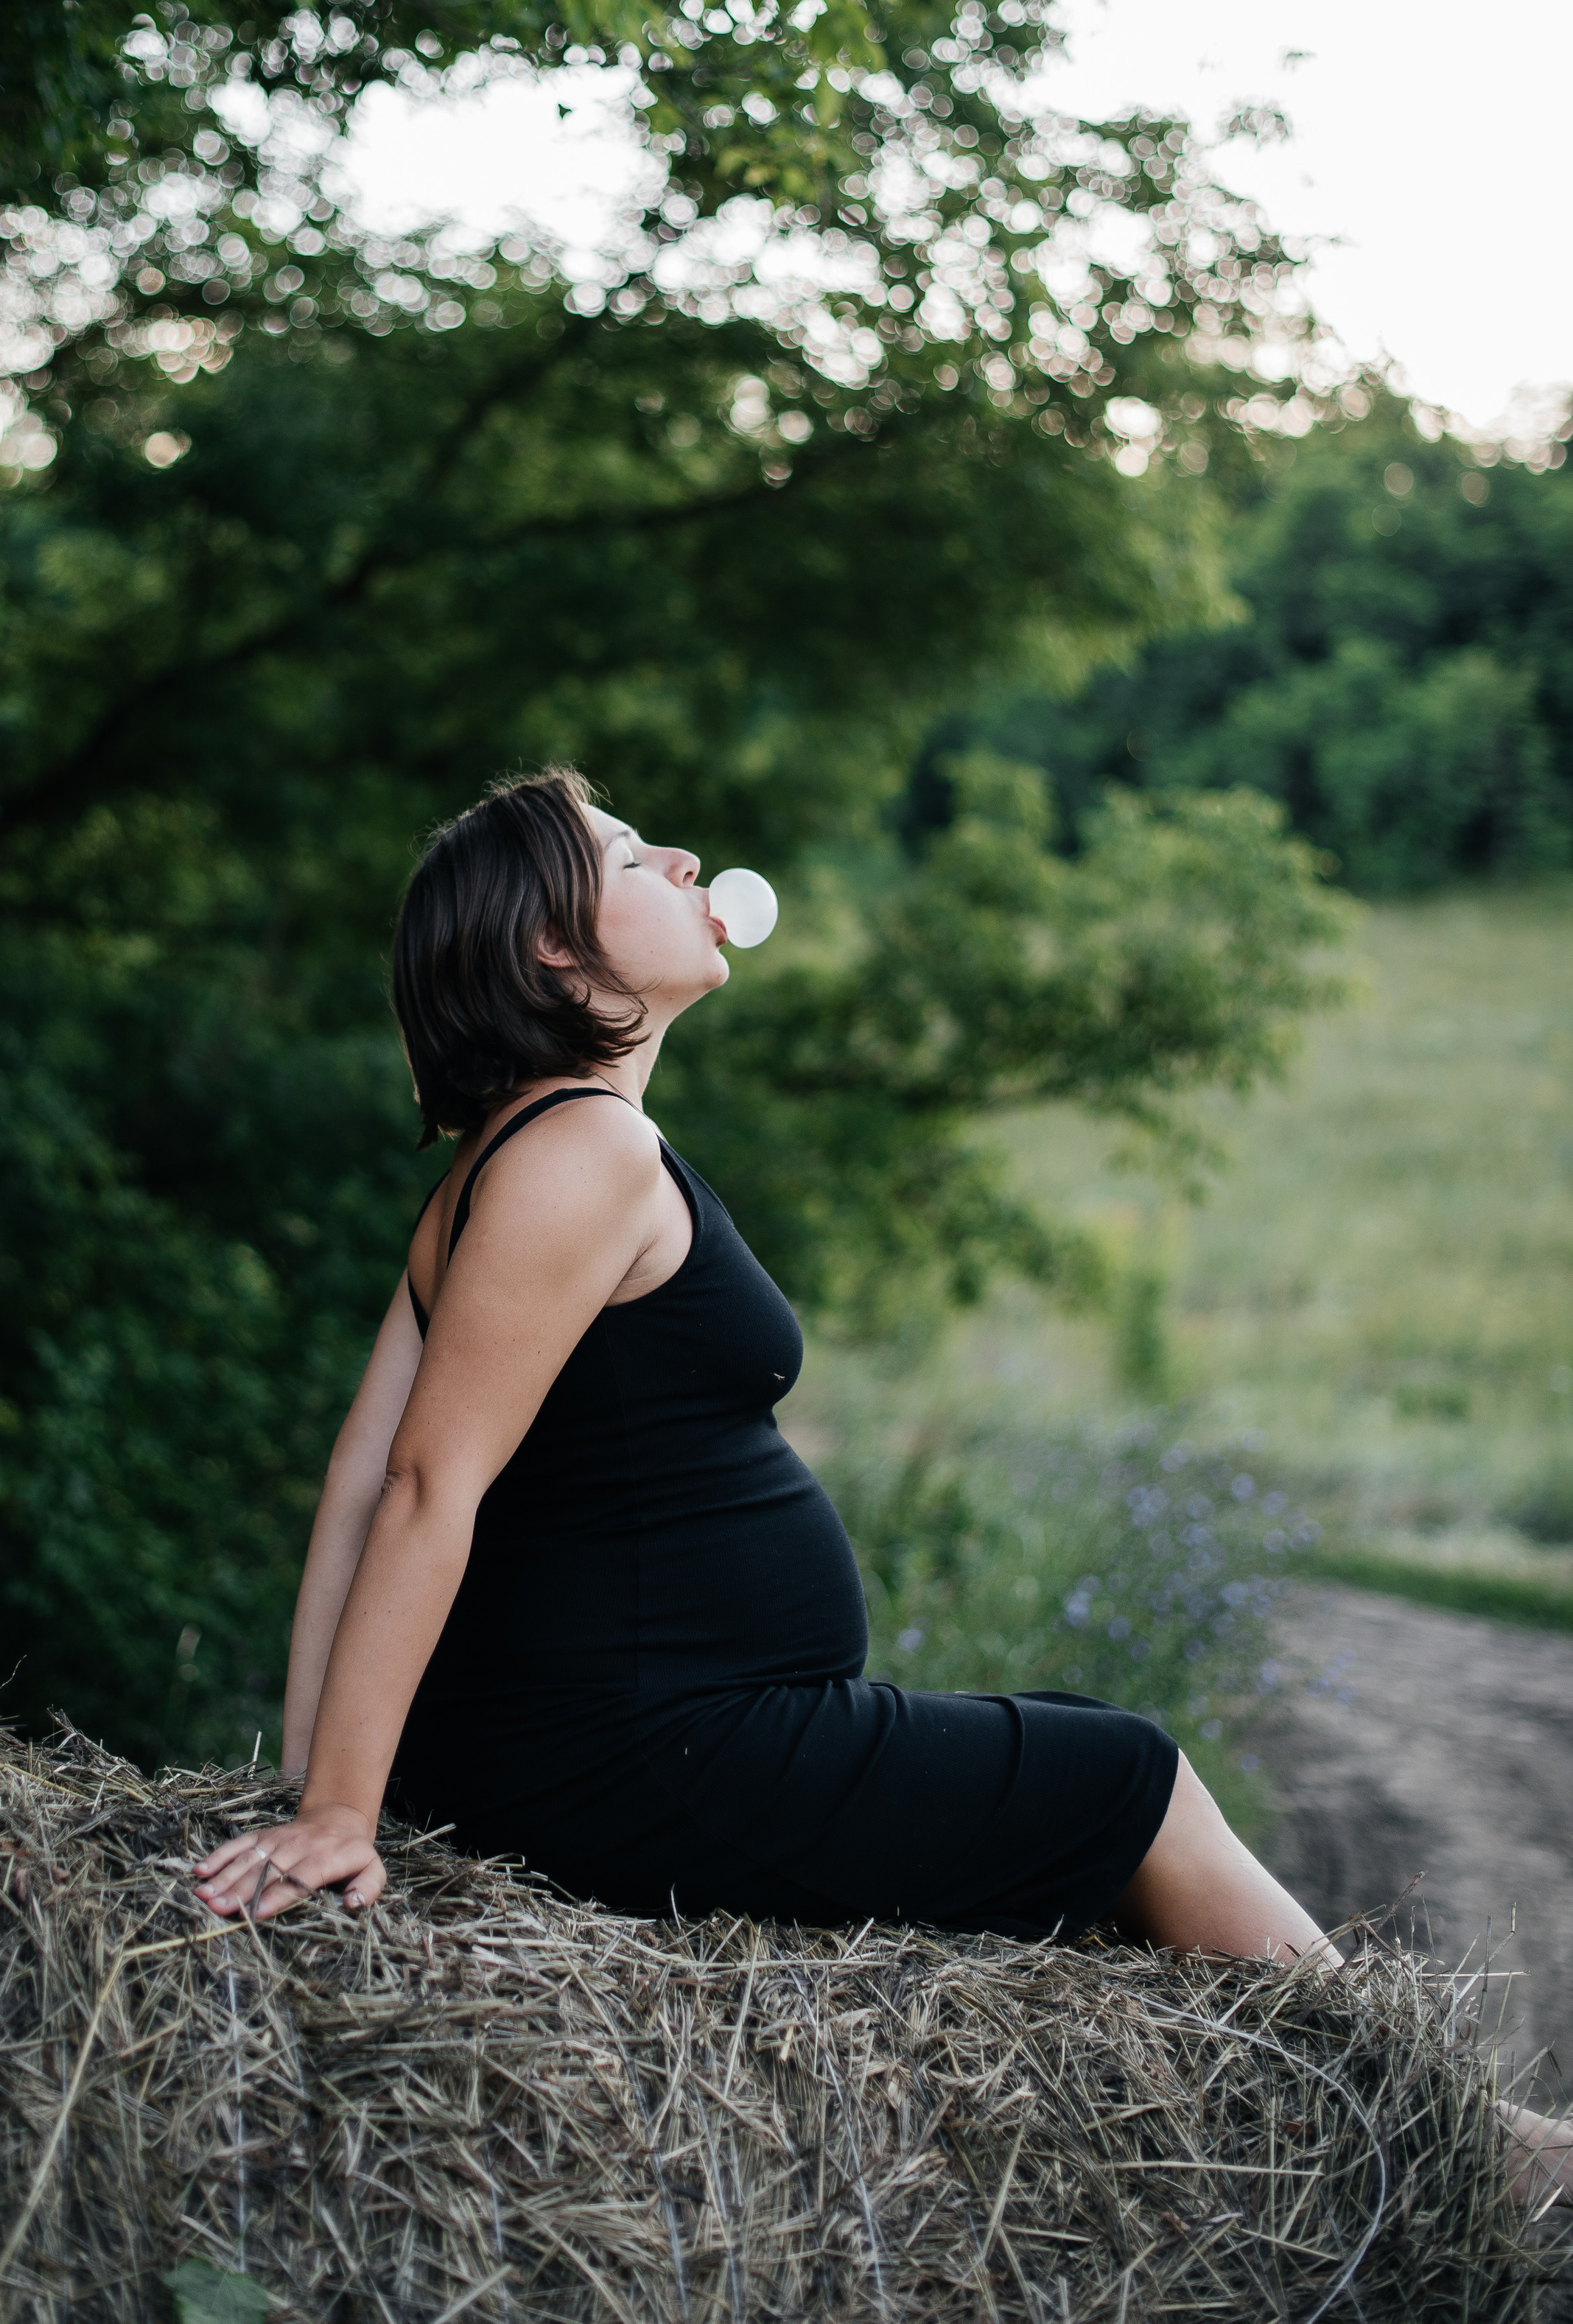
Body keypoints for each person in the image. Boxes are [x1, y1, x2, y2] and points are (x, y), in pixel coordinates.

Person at [196, 768, 1569, 2203]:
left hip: (632, 1746)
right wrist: (340, 1816)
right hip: (644, 1759)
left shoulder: (509, 1165)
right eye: (622, 853)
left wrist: (303, 1778)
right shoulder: (581, 1153)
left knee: (1085, 1749)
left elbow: (353, 1489)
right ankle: (1467, 2150)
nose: (679, 857)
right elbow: (416, 1489)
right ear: (550, 946)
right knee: (1128, 1777)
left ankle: (1426, 2135)